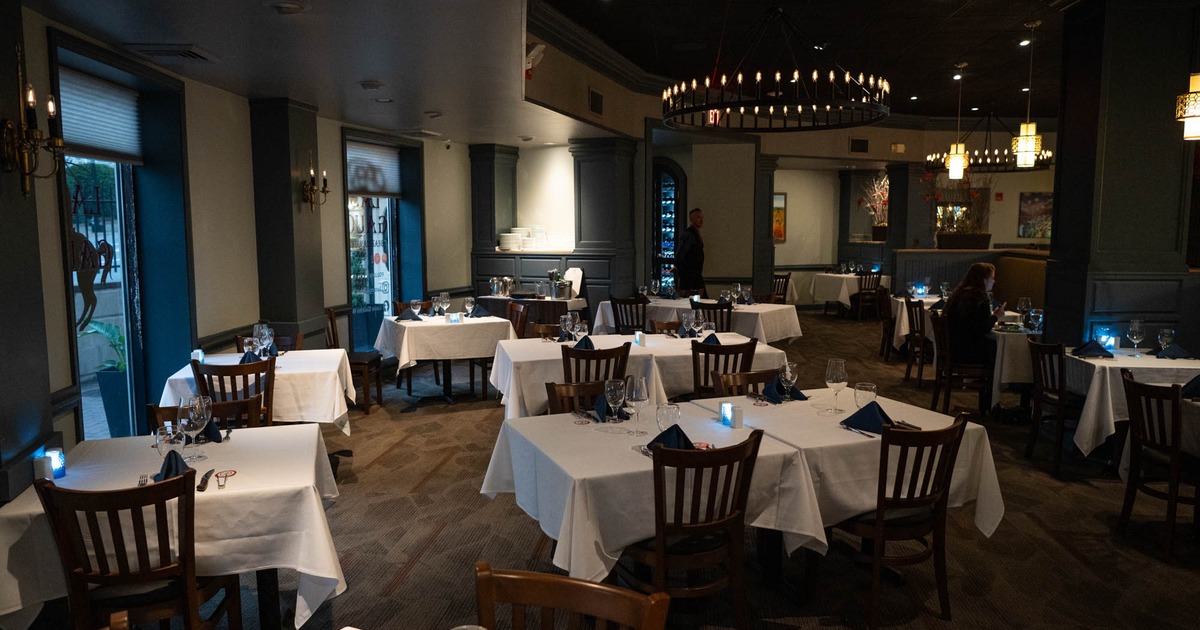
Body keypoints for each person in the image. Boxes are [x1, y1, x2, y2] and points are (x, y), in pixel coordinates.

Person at [945, 262, 1006, 414]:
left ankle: (988, 405)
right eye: (992, 278)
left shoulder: (957, 295)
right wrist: (996, 316)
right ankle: (992, 406)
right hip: (970, 354)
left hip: (953, 350)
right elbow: (982, 328)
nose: (994, 281)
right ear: (983, 280)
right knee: (999, 356)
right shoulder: (980, 299)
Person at [675, 207, 706, 296]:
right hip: (690, 277)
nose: (701, 220)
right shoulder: (689, 234)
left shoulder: (695, 233)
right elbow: (681, 253)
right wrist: (678, 266)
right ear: (692, 219)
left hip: (695, 275)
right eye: (698, 217)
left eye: (702, 218)